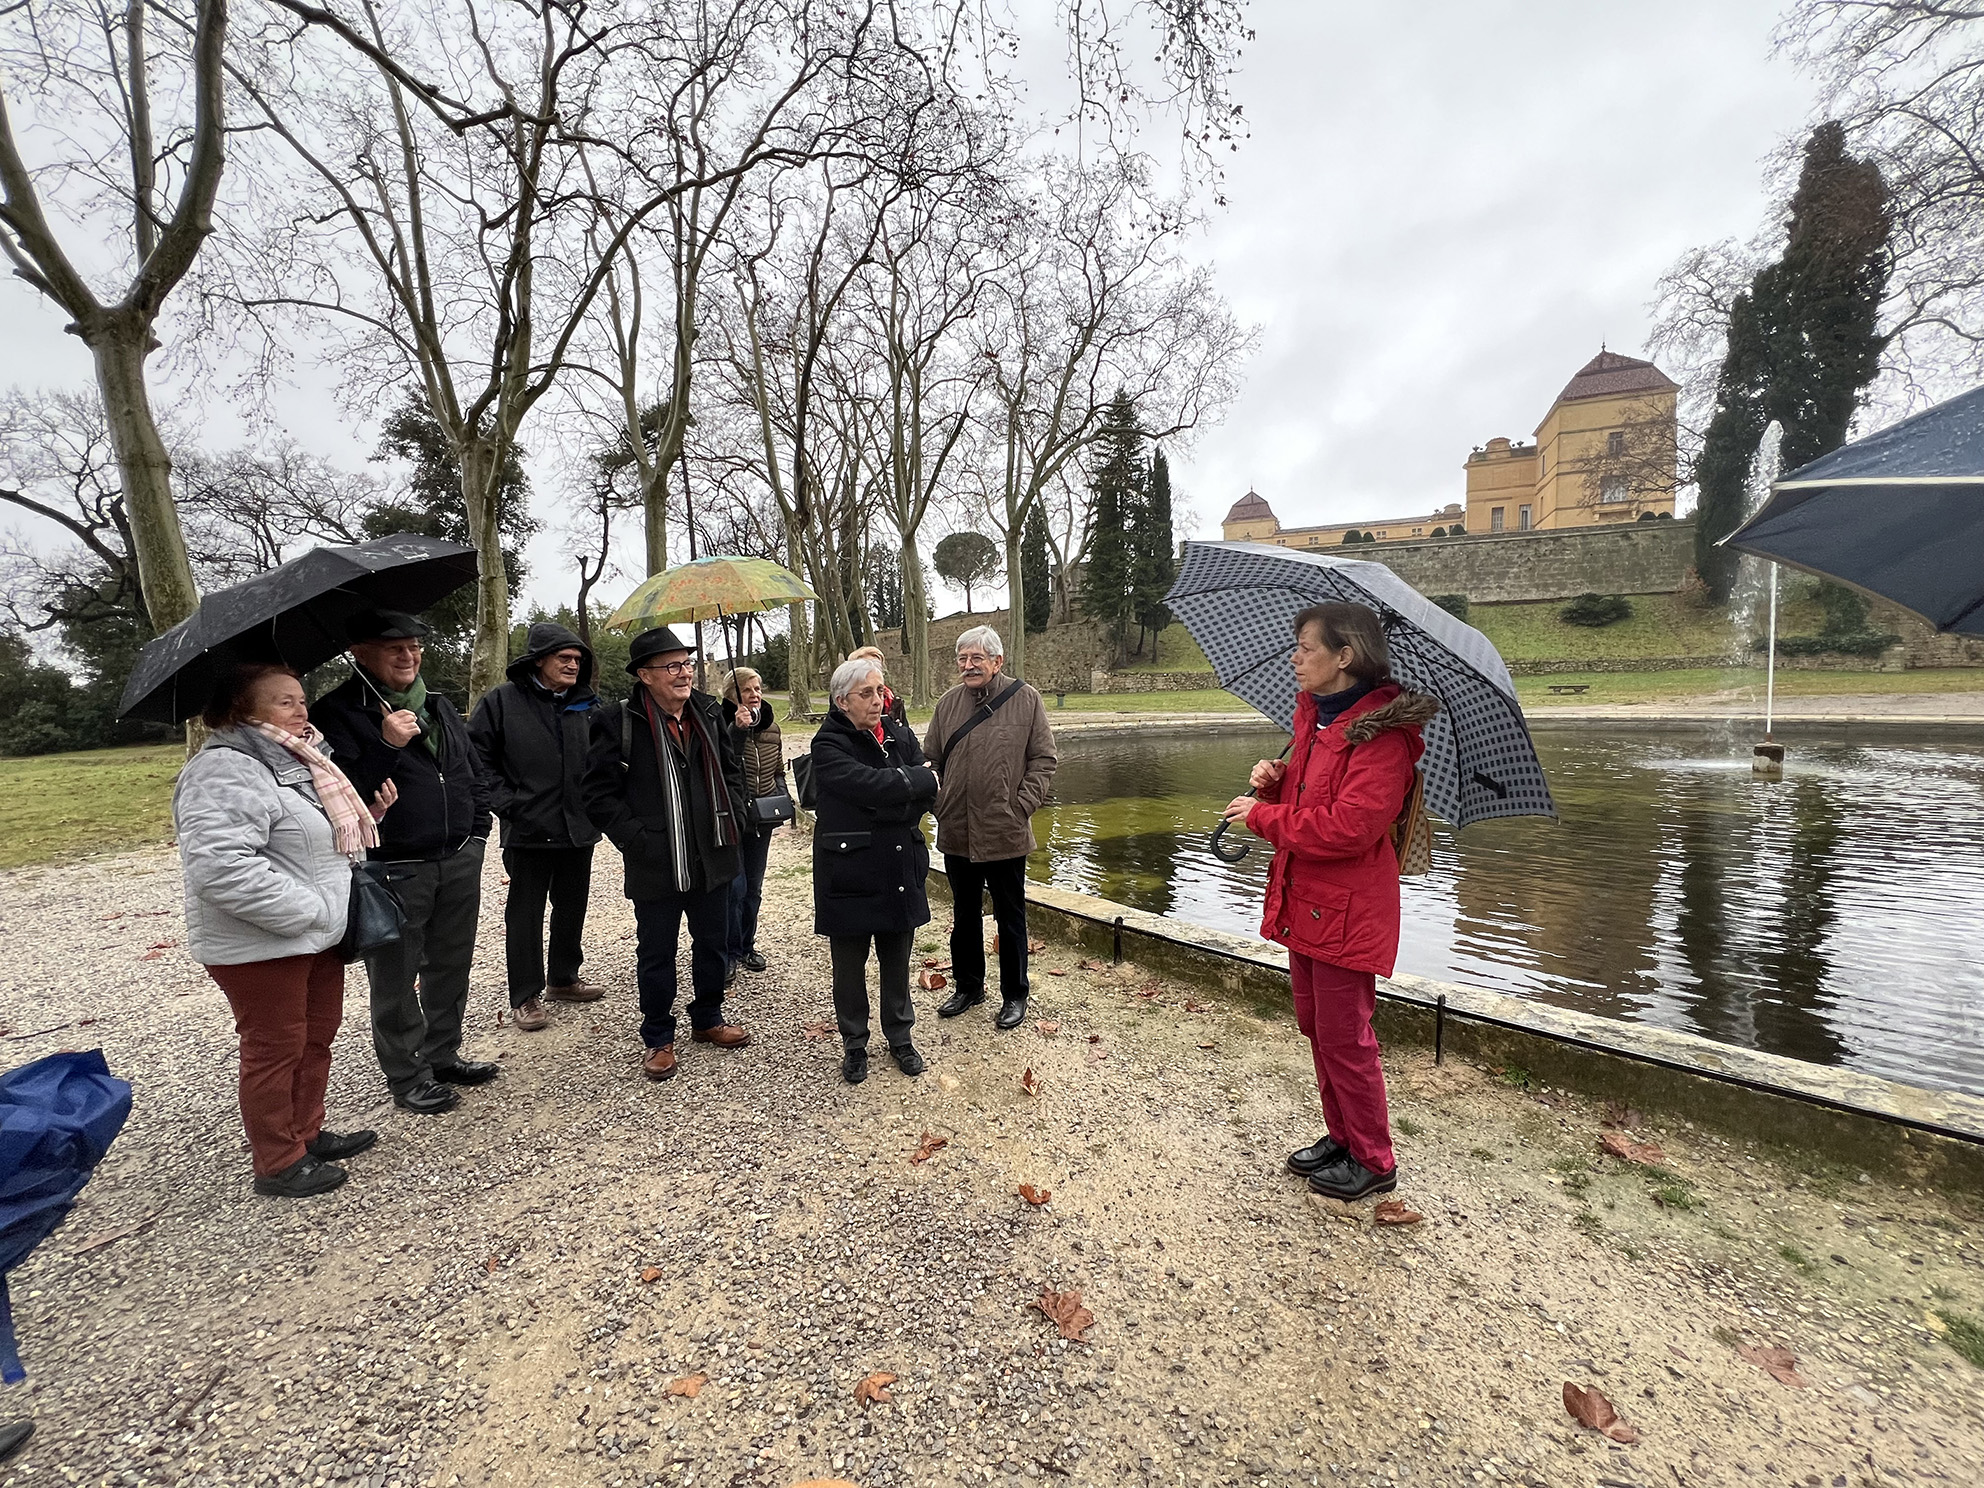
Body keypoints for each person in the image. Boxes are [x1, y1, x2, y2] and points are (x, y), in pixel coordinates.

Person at [1221, 601, 1438, 1202]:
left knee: (1346, 1034)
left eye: (1306, 647)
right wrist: (1276, 780)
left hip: (1348, 908)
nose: (1295, 657)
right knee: (1318, 1026)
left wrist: (1264, 816)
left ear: (1344, 657)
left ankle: (1373, 1158)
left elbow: (1349, 826)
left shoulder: (1383, 741)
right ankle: (1341, 1137)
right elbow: (1313, 794)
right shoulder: (1316, 723)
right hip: (1309, 900)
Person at [173, 662, 397, 1197]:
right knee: (275, 1047)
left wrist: (367, 815)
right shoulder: (225, 770)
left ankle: (306, 1131)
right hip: (262, 942)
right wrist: (310, 910)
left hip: (314, 934)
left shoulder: (298, 762)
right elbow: (220, 866)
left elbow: (305, 841)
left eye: (301, 699)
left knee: (315, 1036)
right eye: (284, 702)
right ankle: (277, 1160)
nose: (301, 710)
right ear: (241, 712)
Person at [315, 611, 498, 1115]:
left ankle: (443, 1055)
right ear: (359, 652)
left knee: (451, 963)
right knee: (395, 975)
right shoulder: (338, 712)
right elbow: (341, 791)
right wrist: (386, 744)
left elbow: (470, 769)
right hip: (396, 864)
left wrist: (477, 830)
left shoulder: (436, 705)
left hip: (458, 856)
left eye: (414, 646)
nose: (408, 656)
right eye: (393, 647)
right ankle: (407, 1072)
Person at [586, 627, 752, 1081]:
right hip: (656, 860)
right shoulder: (616, 720)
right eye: (672, 666)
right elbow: (599, 795)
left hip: (713, 852)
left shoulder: (709, 712)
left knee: (713, 943)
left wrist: (733, 815)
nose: (684, 674)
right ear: (645, 675)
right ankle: (658, 1037)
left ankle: (708, 1018)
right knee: (657, 951)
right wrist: (638, 839)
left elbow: (731, 769)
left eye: (687, 664)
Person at [468, 621, 605, 1033]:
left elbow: (604, 758)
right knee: (525, 914)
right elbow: (477, 761)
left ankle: (563, 978)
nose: (572, 666)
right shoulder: (501, 703)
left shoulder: (586, 704)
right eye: (564, 658)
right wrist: (508, 804)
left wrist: (597, 805)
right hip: (528, 829)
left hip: (577, 827)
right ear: (539, 660)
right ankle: (524, 995)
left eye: (578, 660)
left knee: (572, 905)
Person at [810, 656, 940, 1083]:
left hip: (898, 864)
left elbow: (927, 787)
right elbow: (863, 786)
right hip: (849, 870)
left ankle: (900, 1036)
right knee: (849, 964)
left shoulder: (898, 733)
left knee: (897, 957)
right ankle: (854, 1042)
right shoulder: (828, 743)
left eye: (880, 691)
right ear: (842, 700)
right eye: (866, 693)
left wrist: (897, 793)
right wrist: (905, 787)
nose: (877, 700)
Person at [921, 625, 1058, 1030]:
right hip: (958, 829)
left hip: (1005, 831)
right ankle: (968, 987)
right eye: (962, 659)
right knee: (964, 915)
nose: (968, 666)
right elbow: (930, 761)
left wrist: (1021, 807)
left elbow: (1044, 760)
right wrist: (940, 803)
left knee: (1011, 917)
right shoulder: (947, 704)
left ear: (997, 661)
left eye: (976, 658)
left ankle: (1015, 994)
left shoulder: (1026, 699)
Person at [719, 665, 784, 982]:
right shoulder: (720, 725)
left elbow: (777, 770)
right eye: (748, 690)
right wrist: (737, 730)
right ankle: (728, 952)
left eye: (758, 688)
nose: (756, 694)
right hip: (734, 816)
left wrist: (781, 796)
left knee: (754, 888)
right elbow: (721, 766)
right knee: (735, 887)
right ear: (732, 695)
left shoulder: (772, 726)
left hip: (763, 816)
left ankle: (746, 946)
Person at [846, 645, 907, 733]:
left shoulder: (894, 702)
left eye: (877, 666)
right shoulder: (844, 702)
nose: (874, 670)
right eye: (867, 666)